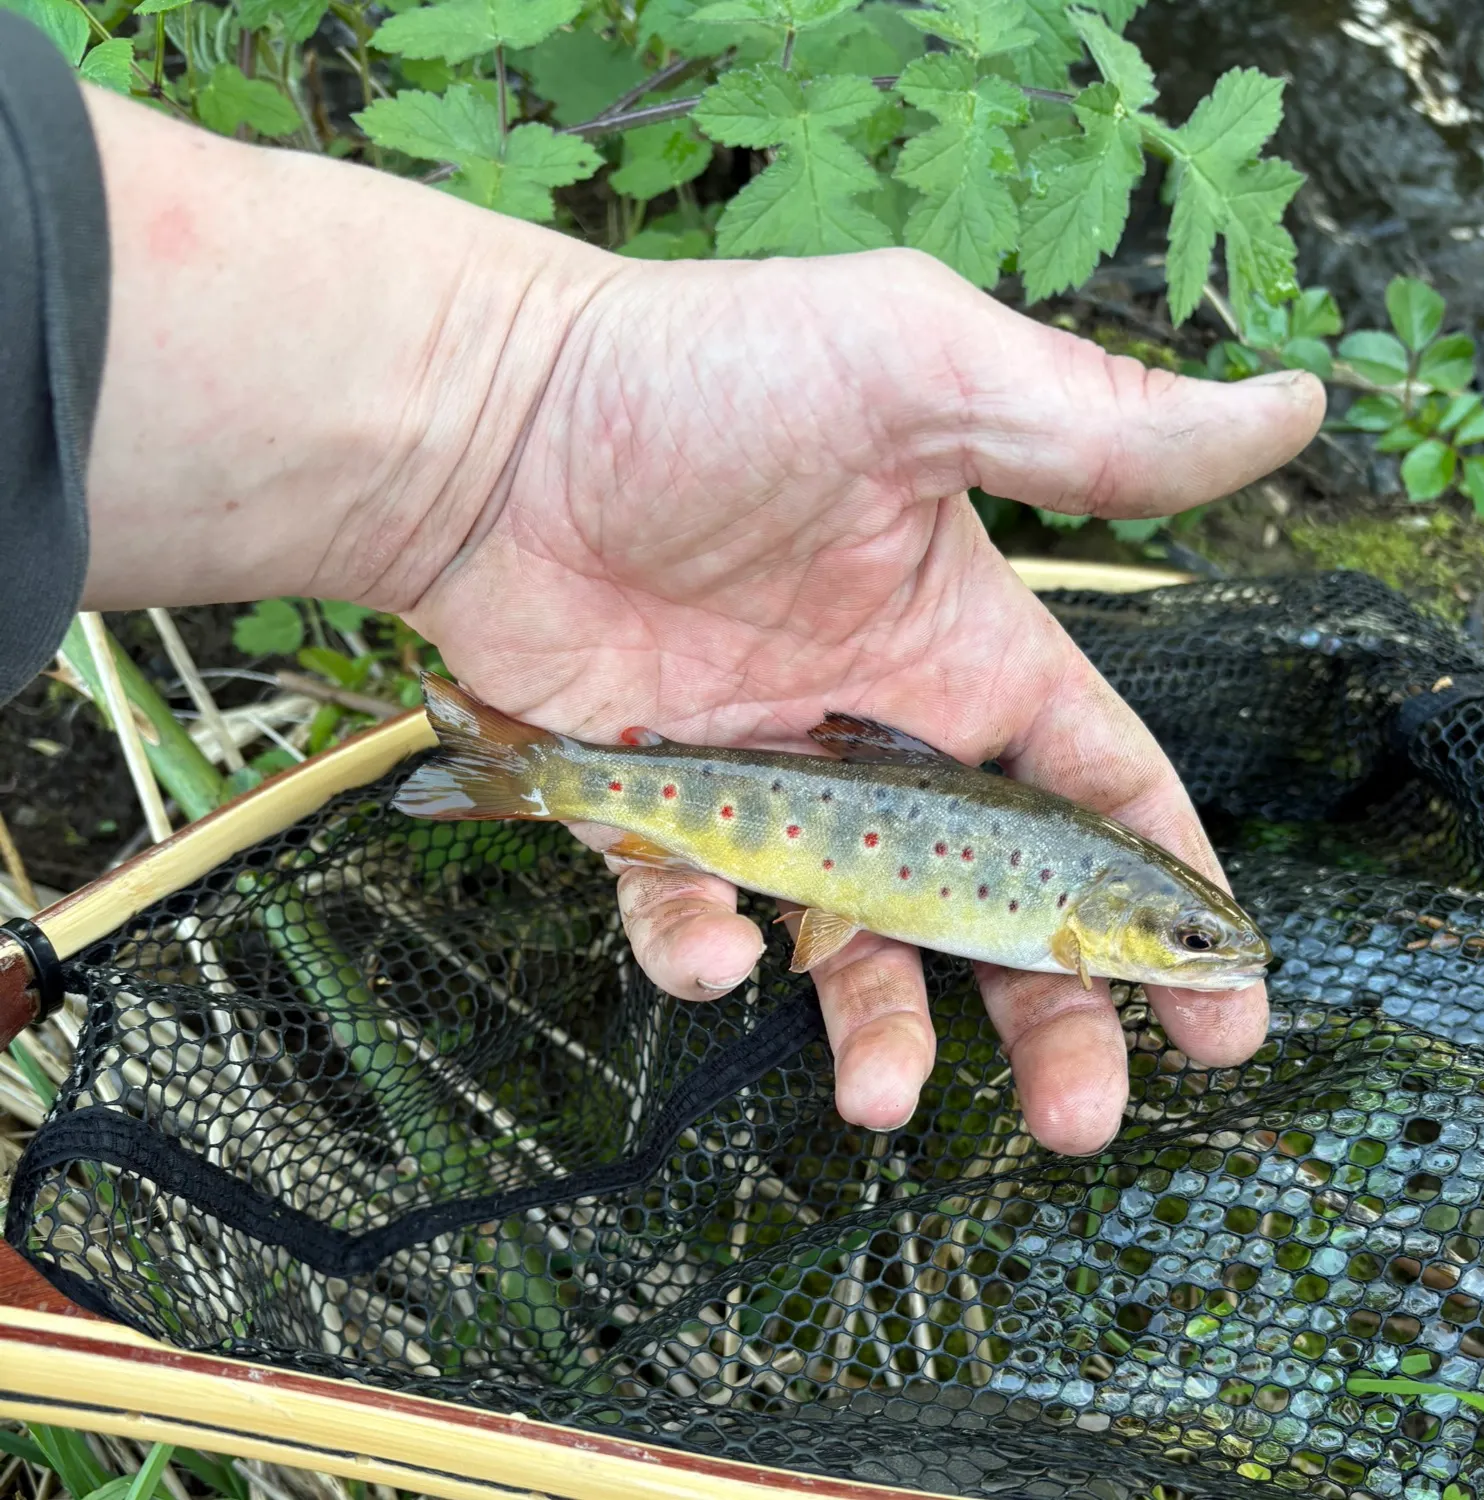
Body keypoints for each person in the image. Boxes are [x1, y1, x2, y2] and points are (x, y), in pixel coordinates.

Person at [0, 13, 1325, 1156]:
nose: (1211, 952)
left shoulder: (1084, 897)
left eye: (1193, 946)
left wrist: (499, 426)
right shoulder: (1081, 891)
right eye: (1193, 945)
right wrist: (509, 422)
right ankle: (539, 769)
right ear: (1120, 916)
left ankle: (542, 768)